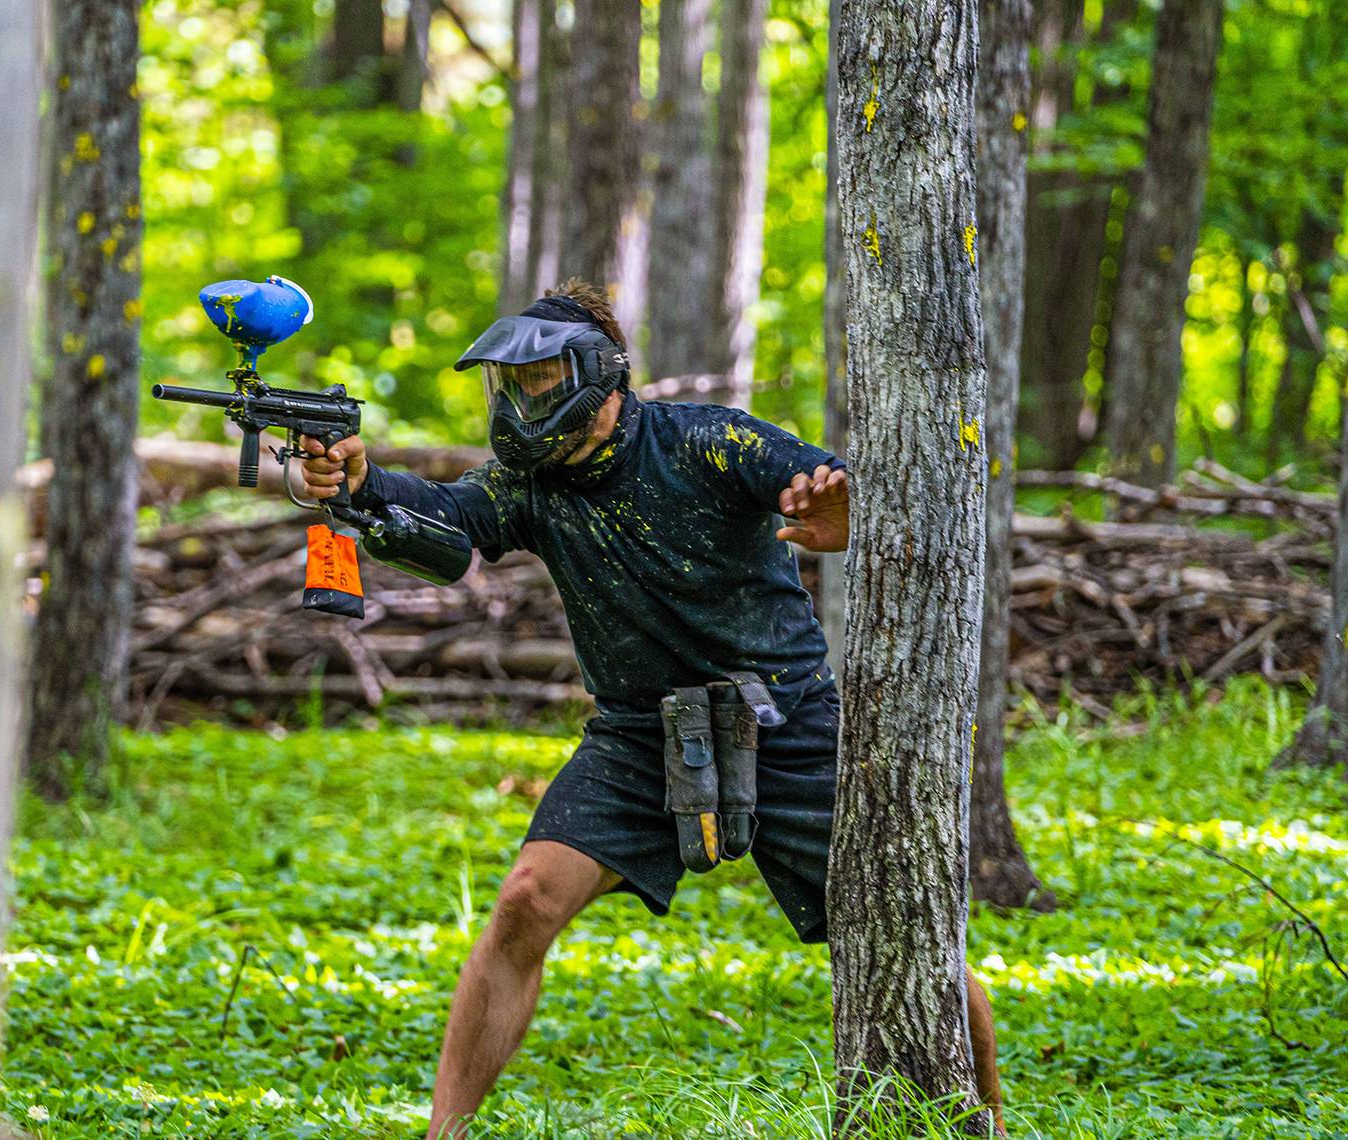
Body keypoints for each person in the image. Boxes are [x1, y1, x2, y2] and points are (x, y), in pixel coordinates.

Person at [300, 280, 1005, 1138]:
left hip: (782, 724)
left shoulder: (707, 441)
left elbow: (831, 488)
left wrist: (843, 512)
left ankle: (985, 1124)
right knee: (525, 900)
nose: (526, 401)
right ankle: (443, 1133)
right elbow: (448, 523)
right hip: (638, 735)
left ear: (599, 373)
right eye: (513, 385)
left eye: (543, 379)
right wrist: (362, 484)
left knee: (904, 925)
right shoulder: (533, 484)